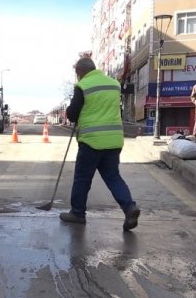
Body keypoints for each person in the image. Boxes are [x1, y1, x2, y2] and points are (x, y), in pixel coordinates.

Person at [59, 57, 140, 231]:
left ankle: (77, 213)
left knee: (82, 178)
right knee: (113, 177)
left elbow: (72, 114)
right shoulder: (113, 84)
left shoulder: (83, 85)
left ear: (80, 72)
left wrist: (70, 109)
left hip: (91, 141)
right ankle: (129, 207)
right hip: (113, 140)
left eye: (77, 73)